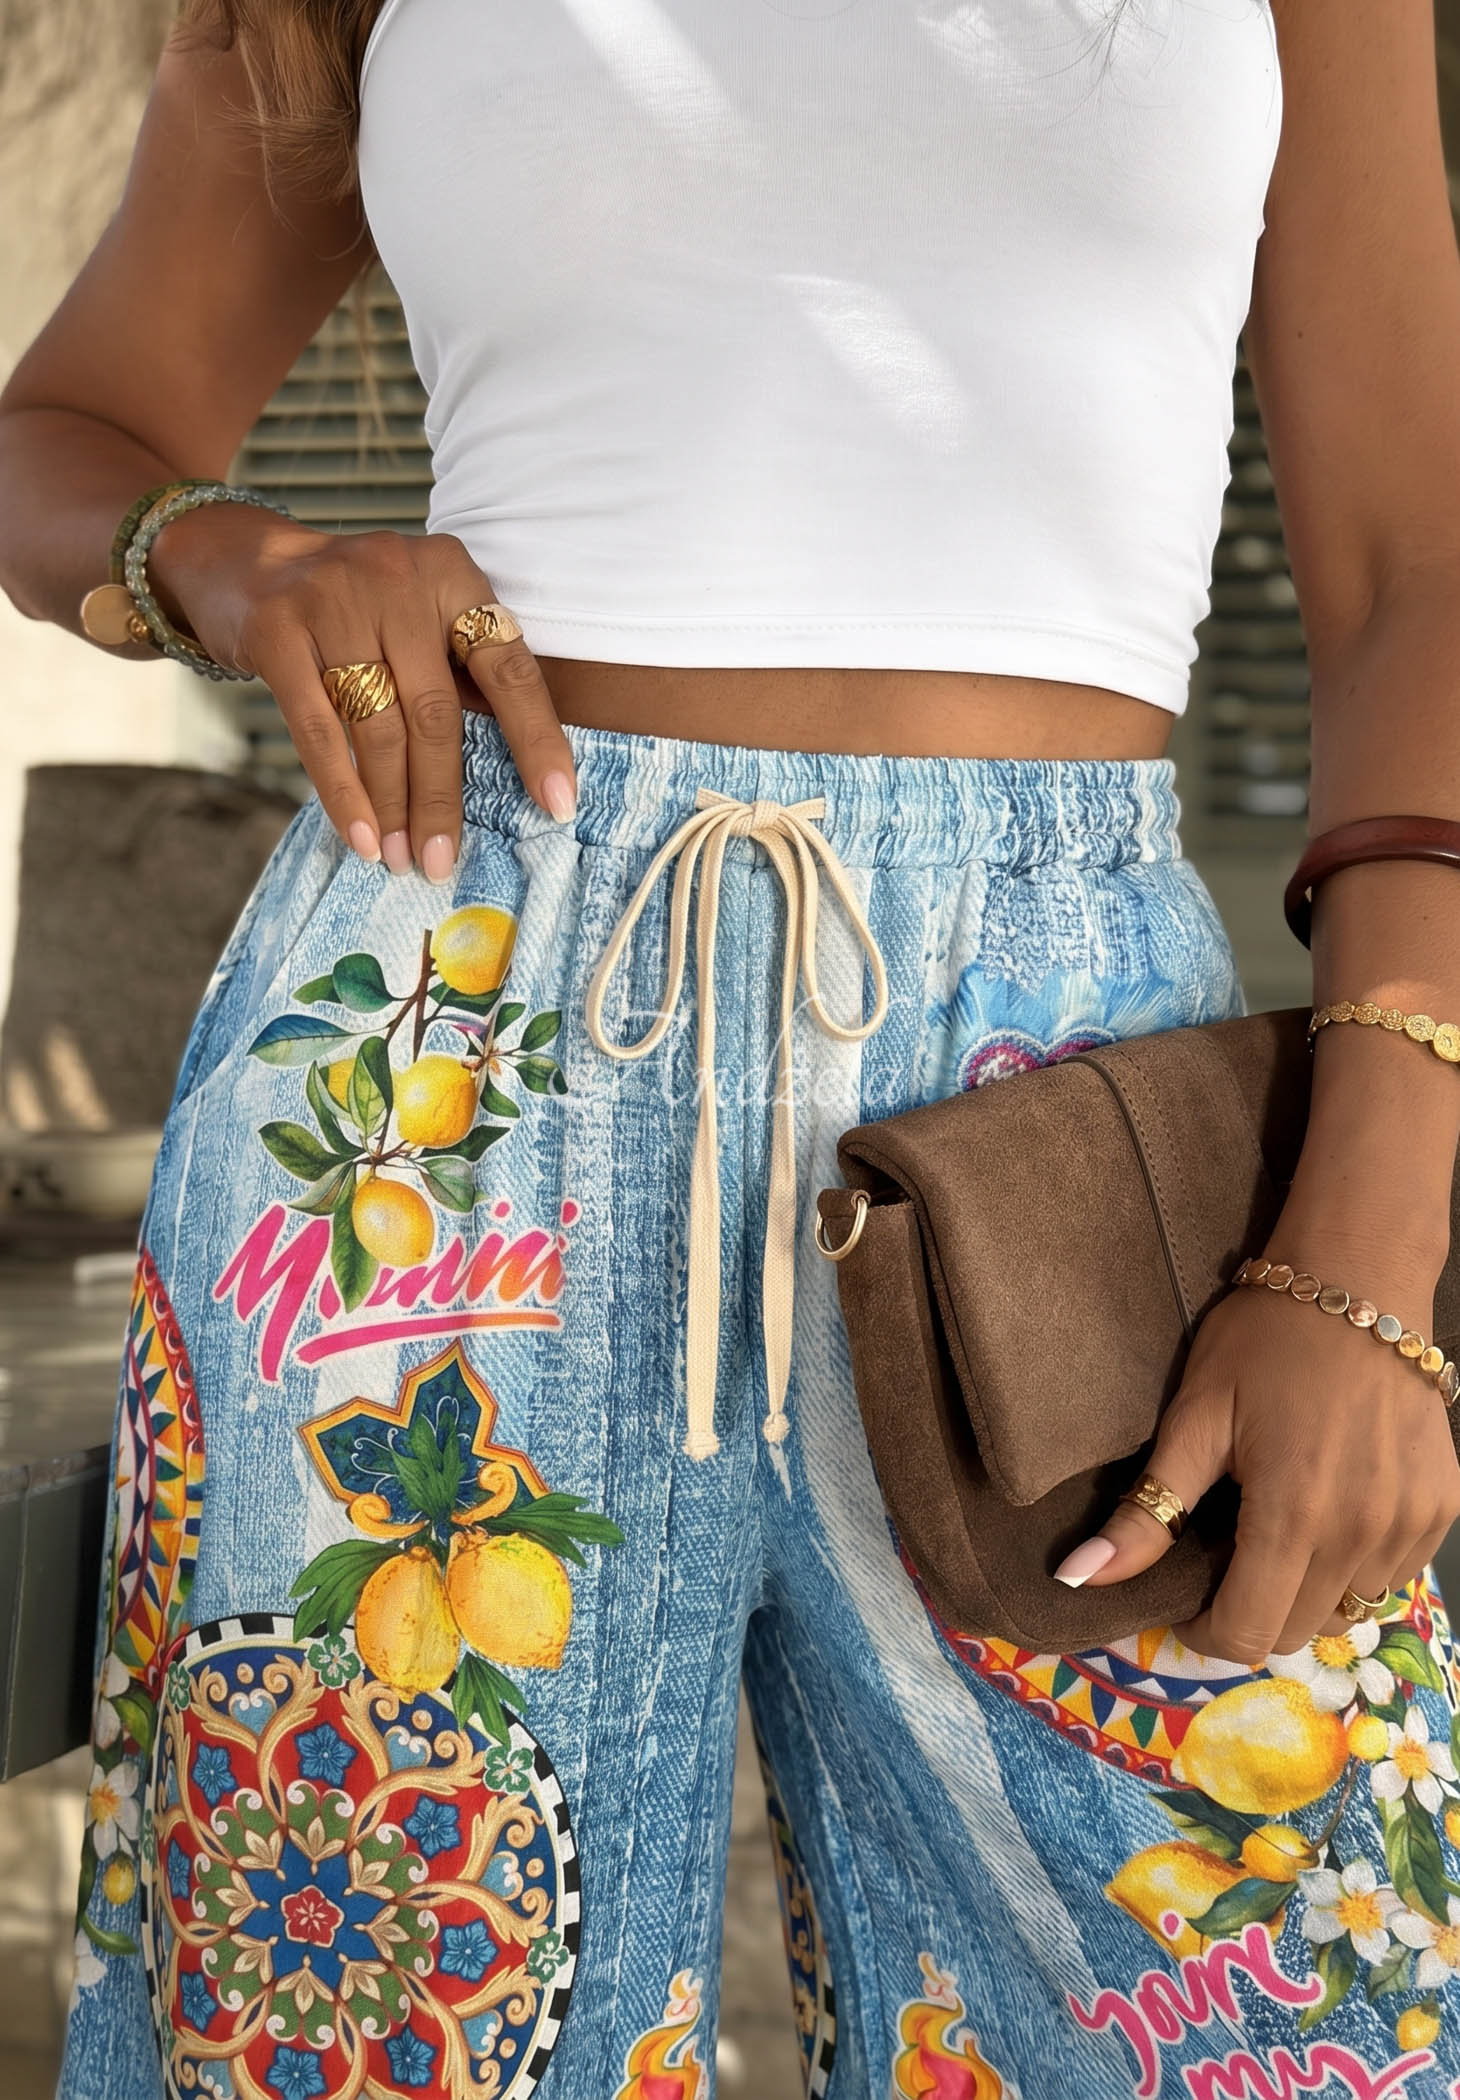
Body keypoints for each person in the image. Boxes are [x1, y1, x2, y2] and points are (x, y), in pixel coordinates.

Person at [4, 0, 1460, 2092]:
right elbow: (71, 429)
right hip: (439, 1084)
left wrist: (1365, 1267)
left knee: (1293, 2015)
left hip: (1063, 1105)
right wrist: (240, 565)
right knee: (373, 2009)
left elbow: (1415, 571)